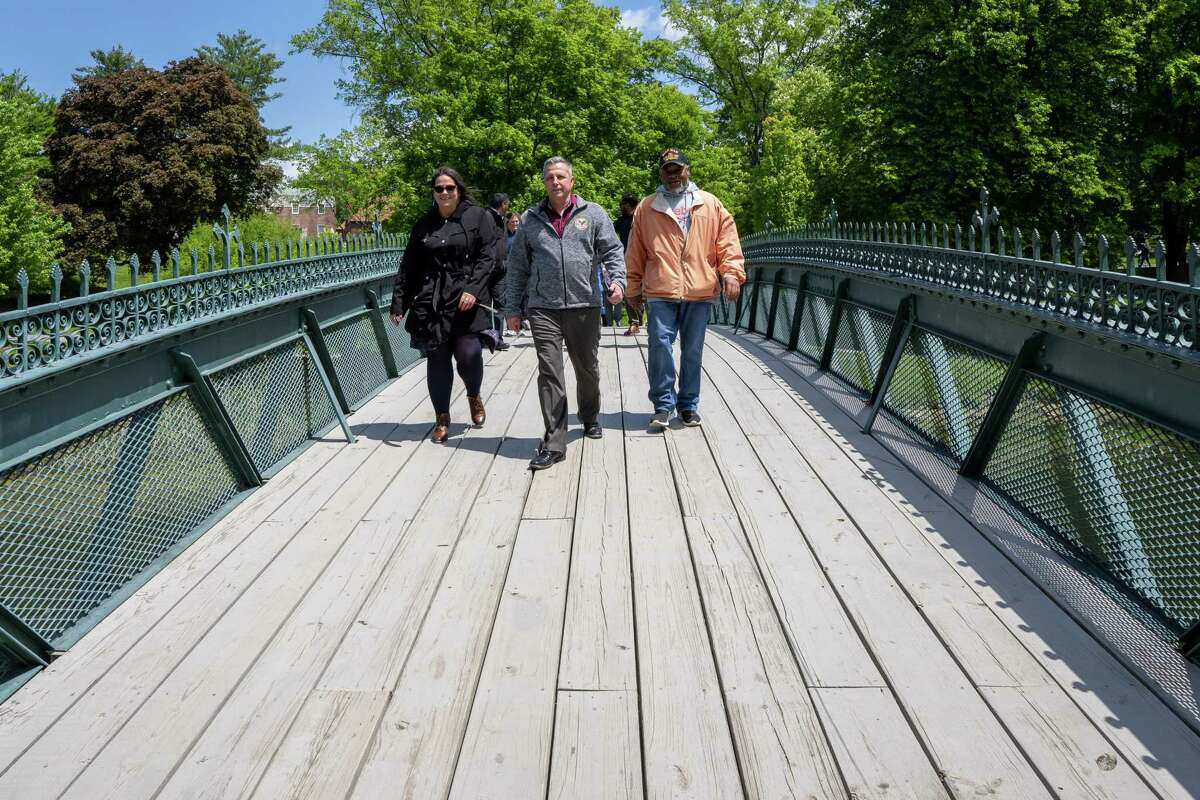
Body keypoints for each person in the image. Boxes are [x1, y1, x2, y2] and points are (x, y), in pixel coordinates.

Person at [506, 156, 626, 470]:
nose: (555, 182)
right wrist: (512, 309)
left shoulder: (593, 213)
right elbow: (518, 266)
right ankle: (554, 442)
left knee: (587, 368)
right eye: (550, 178)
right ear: (544, 183)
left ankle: (589, 416)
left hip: (585, 303)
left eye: (561, 176)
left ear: (571, 181)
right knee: (550, 372)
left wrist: (618, 283)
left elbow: (612, 251)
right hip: (543, 307)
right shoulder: (531, 219)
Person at [626, 147, 745, 429]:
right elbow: (635, 251)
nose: (673, 175)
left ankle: (688, 406)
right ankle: (663, 405)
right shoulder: (647, 206)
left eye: (677, 169)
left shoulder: (710, 203)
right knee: (659, 346)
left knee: (692, 351)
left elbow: (727, 242)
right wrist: (632, 287)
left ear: (687, 170)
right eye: (667, 170)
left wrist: (731, 273)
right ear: (660, 174)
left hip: (699, 288)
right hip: (660, 289)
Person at [390, 167, 501, 443]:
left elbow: (488, 258)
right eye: (439, 188)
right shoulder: (424, 224)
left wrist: (473, 290)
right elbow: (410, 266)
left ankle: (474, 395)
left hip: (466, 300)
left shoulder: (479, 217)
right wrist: (399, 301)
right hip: (432, 302)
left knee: (468, 355)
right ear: (433, 192)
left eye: (449, 187)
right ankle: (442, 417)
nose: (444, 193)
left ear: (458, 189)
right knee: (437, 360)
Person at [612, 193, 641, 335]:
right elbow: (606, 232)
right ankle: (634, 323)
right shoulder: (621, 221)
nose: (620, 208)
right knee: (629, 292)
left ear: (629, 205)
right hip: (628, 261)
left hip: (647, 261)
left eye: (622, 205)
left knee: (651, 293)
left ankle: (655, 323)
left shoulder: (643, 218)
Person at [487, 193, 512, 351]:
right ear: (503, 204)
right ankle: (486, 337)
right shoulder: (486, 217)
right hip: (488, 269)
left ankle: (497, 338)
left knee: (499, 304)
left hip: (501, 269)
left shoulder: (501, 219)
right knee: (484, 305)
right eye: (507, 203)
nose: (508, 206)